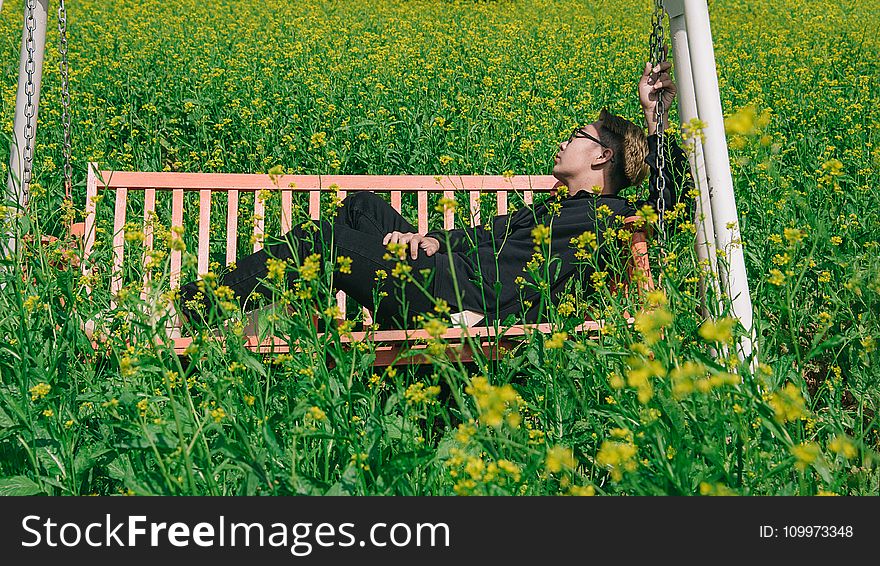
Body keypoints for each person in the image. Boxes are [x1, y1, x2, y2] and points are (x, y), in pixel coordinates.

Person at [178, 59, 692, 330]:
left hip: (459, 303)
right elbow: (478, 235)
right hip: (445, 275)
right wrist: (426, 239)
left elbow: (676, 205)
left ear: (602, 156)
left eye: (578, 136)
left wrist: (654, 118)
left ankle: (193, 312)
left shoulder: (611, 216)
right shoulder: (554, 206)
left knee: (324, 240)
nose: (564, 140)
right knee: (363, 207)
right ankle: (271, 313)